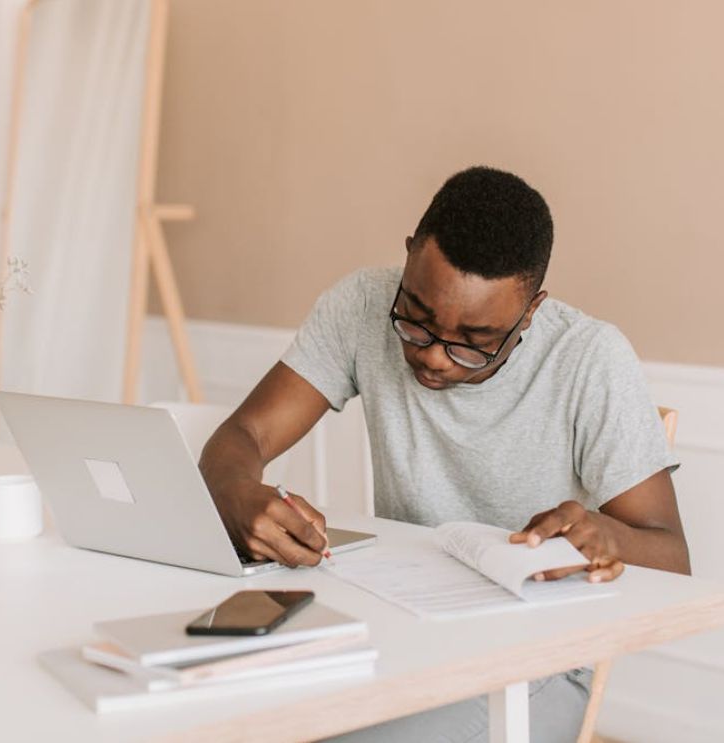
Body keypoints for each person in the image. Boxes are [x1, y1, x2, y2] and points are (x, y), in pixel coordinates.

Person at [200, 165, 690, 741]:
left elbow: (673, 558)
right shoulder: (361, 304)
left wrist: (609, 538)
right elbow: (244, 437)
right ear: (408, 256)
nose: (434, 357)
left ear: (530, 311)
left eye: (476, 344)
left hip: (534, 663)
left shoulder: (590, 359)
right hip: (395, 629)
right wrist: (235, 491)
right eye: (417, 320)